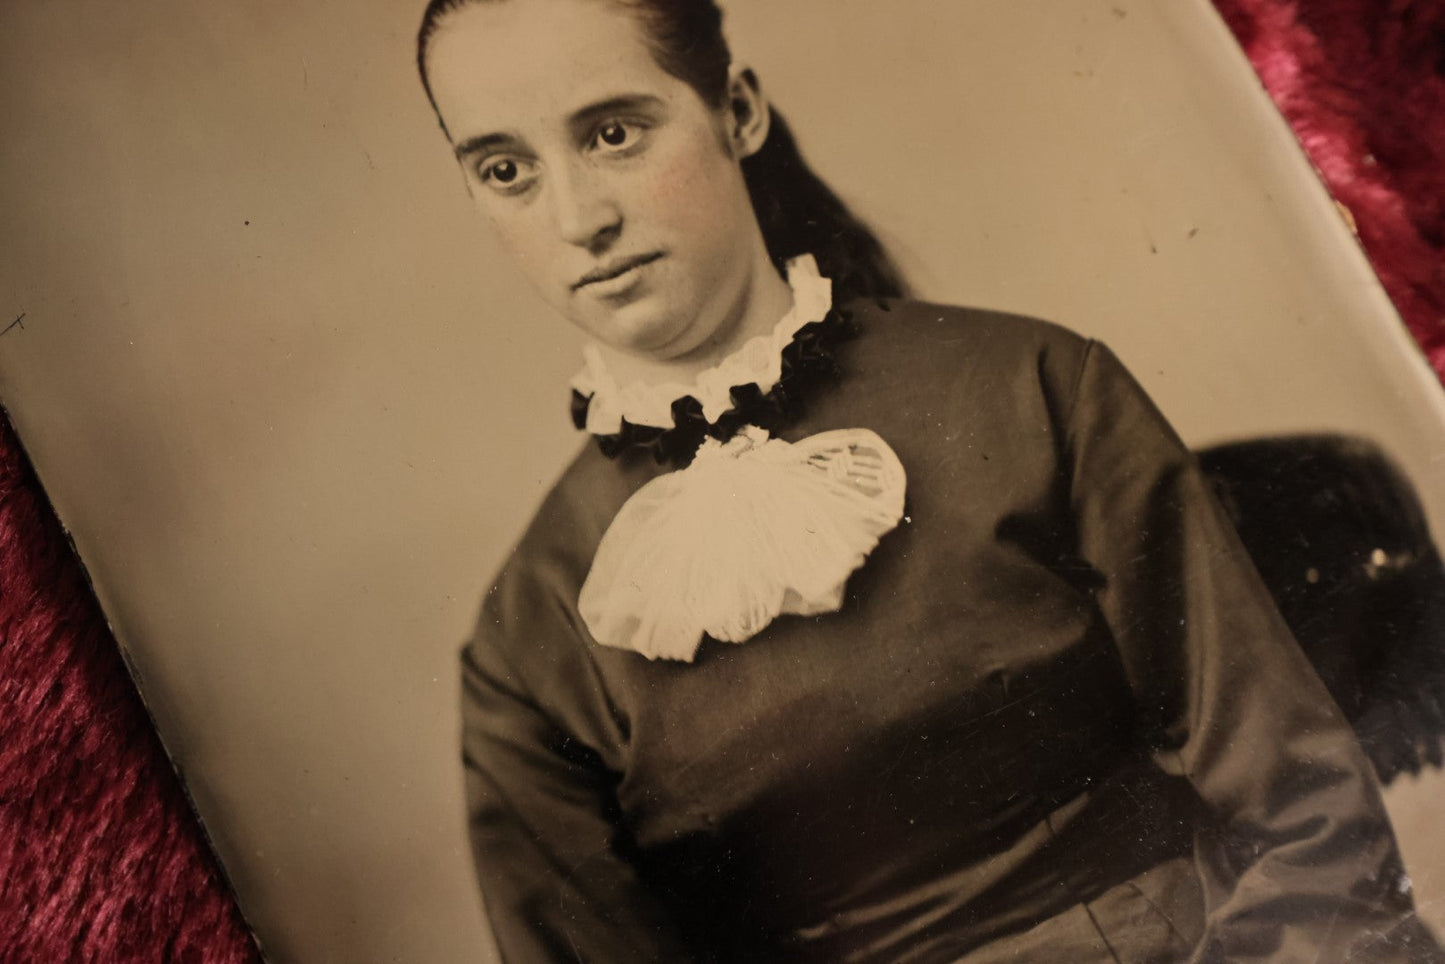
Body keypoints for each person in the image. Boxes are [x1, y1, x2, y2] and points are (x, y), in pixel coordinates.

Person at [416, 0, 1444, 960]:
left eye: (613, 134)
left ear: (736, 111)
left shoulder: (1035, 388)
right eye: (506, 169)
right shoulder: (529, 642)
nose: (577, 218)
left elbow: (1307, 824)